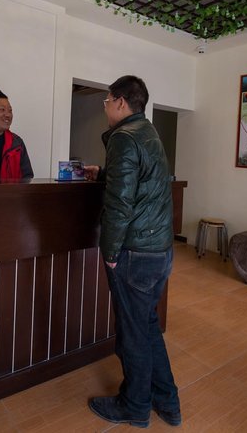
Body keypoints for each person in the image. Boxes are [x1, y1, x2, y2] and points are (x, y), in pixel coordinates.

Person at [84, 75, 180, 428]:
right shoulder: (148, 132)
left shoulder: (124, 137)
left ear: (120, 102)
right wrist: (103, 173)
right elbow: (140, 181)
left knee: (133, 335)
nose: (106, 107)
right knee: (147, 327)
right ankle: (168, 402)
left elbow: (120, 203)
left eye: (107, 101)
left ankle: (135, 406)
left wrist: (110, 252)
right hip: (159, 250)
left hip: (135, 252)